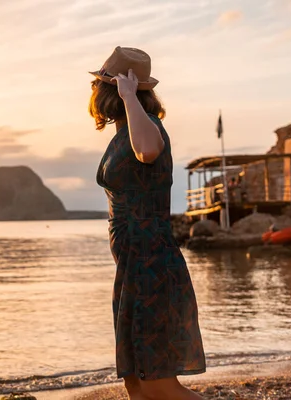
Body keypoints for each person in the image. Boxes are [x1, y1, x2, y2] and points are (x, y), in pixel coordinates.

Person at [89, 46, 206, 400]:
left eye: (99, 84)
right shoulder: (125, 131)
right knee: (136, 385)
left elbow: (148, 151)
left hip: (152, 267)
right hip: (133, 270)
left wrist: (129, 97)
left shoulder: (147, 127)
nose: (94, 91)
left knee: (161, 386)